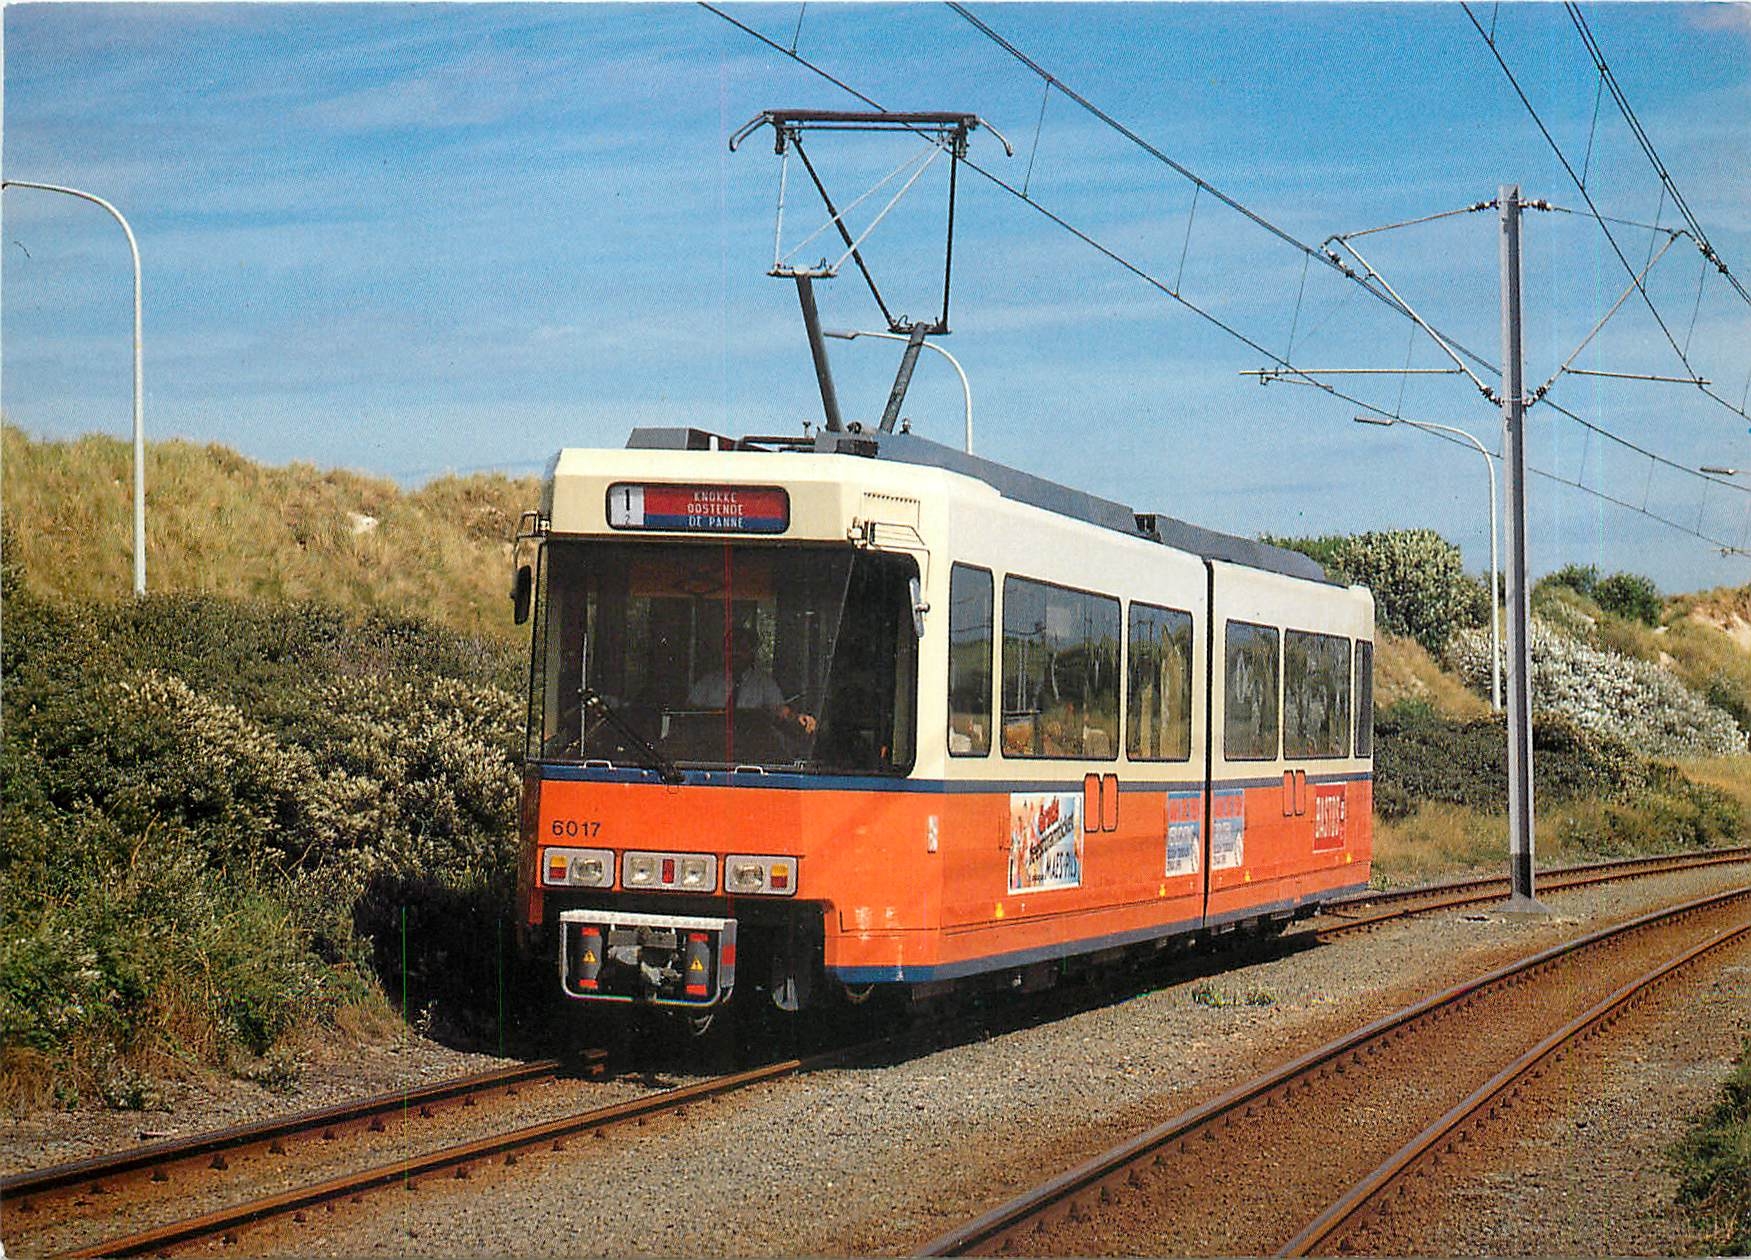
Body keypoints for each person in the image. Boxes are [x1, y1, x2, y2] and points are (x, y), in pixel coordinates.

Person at [689, 627, 816, 734]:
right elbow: (689, 712)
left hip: (752, 751)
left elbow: (780, 710)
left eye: (742, 649)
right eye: (730, 649)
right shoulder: (708, 683)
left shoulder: (764, 683)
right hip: (711, 745)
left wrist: (797, 718)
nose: (735, 653)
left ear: (752, 651)